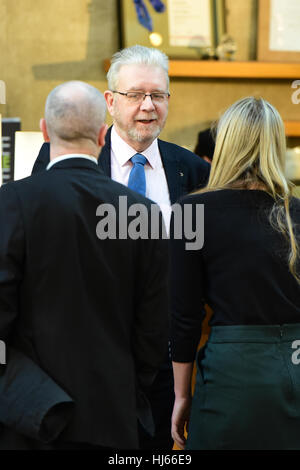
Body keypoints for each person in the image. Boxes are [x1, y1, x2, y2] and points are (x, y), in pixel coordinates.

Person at [31, 45, 210, 450]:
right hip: (82, 358)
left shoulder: (195, 171)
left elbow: (201, 260)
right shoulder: (62, 158)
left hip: (165, 361)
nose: (148, 106)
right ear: (110, 101)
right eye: (135, 95)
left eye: (159, 95)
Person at [0, 81, 169, 450]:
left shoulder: (12, 202)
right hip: (112, 414)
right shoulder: (142, 213)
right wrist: (128, 384)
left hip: (32, 420)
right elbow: (154, 329)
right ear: (103, 134)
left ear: (45, 130)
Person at [170, 97, 300, 450]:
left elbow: (185, 317)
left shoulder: (192, 211)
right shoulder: (296, 212)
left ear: (226, 142)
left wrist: (182, 395)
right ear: (277, 144)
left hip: (232, 373)